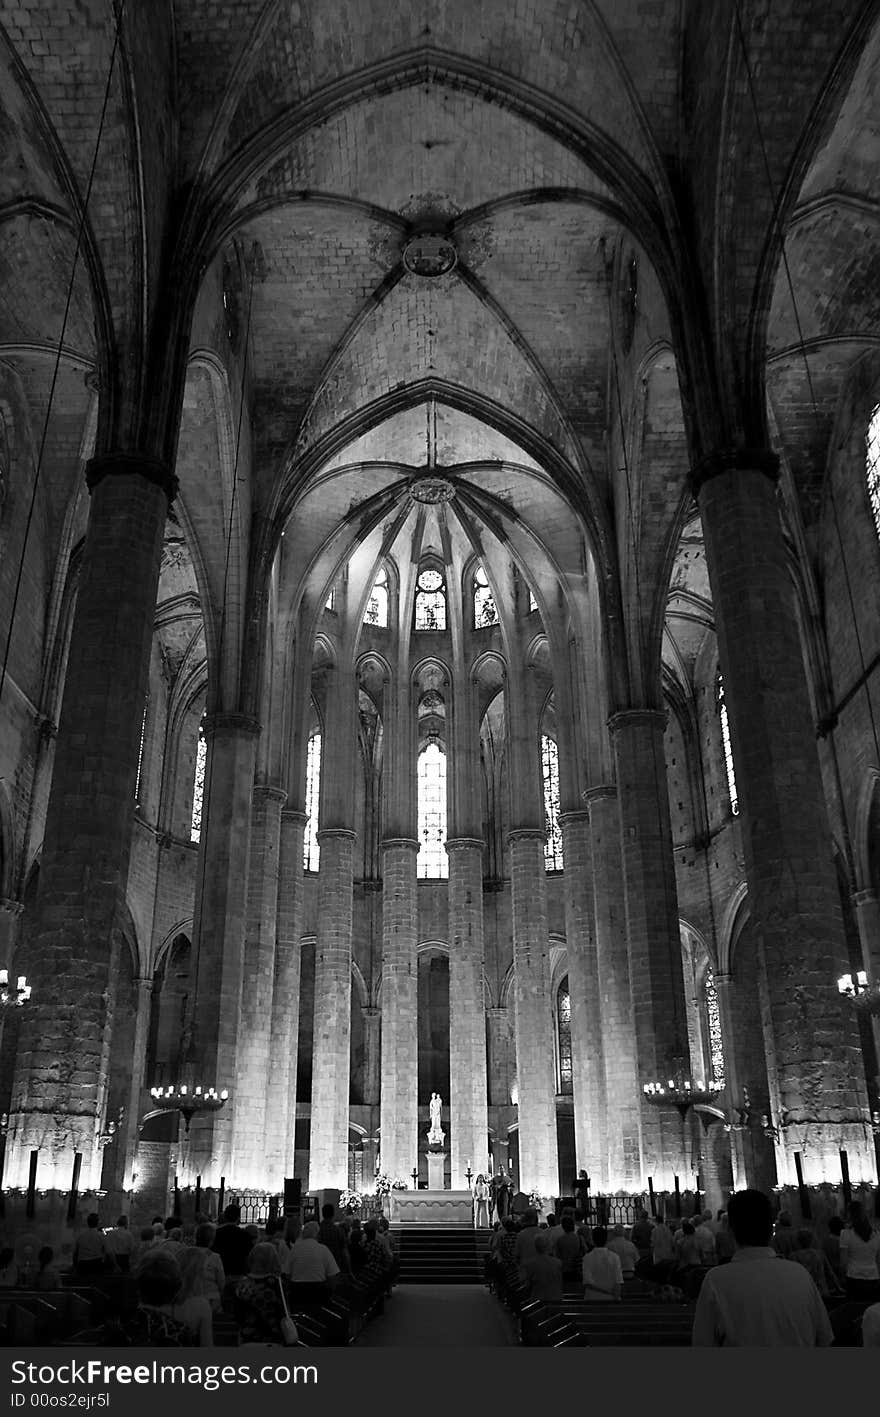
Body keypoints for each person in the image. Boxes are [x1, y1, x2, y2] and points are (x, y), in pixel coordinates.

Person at [692, 1189, 833, 1346]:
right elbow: (824, 1337)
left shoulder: (716, 1281)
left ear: (730, 1229)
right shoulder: (800, 1275)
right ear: (771, 1227)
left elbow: (702, 1343)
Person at [234, 1243, 291, 1345]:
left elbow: (237, 1314)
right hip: (273, 1338)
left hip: (247, 1338)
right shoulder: (277, 1284)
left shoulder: (241, 1284)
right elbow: (283, 1311)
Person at [284, 1219, 340, 1305]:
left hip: (297, 1294)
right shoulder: (323, 1249)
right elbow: (333, 1275)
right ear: (318, 1235)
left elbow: (287, 1274)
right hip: (318, 1294)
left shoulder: (294, 1249)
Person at [178, 1223, 226, 1311]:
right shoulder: (214, 1257)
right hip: (210, 1299)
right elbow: (221, 1282)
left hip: (187, 1298)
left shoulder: (183, 1253)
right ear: (211, 1240)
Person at [839, 1201, 880, 1300]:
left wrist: (842, 1278)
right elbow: (878, 1260)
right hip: (873, 1276)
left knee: (855, 1310)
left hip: (853, 1276)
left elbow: (843, 1262)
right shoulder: (877, 1234)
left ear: (850, 1215)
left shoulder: (845, 1234)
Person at [789, 1227, 843, 1298]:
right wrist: (838, 1288)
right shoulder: (820, 1254)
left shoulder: (794, 1256)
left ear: (798, 1241)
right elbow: (830, 1273)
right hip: (822, 1291)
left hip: (804, 1292)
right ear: (811, 1240)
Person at [212, 1203, 254, 1279]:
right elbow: (249, 1255)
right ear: (238, 1218)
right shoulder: (244, 1234)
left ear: (225, 1216)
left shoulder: (216, 1233)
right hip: (238, 1273)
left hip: (220, 1272)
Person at [581, 1226, 622, 1301]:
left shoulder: (587, 1258)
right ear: (606, 1239)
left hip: (592, 1299)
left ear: (592, 1240)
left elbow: (587, 1282)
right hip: (611, 1299)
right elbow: (618, 1281)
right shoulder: (615, 1257)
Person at [521, 1231, 563, 1302]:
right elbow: (560, 1282)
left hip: (538, 1299)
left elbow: (527, 1285)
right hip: (555, 1298)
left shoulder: (530, 1264)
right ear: (548, 1246)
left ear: (535, 1247)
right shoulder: (558, 1262)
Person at [553, 1213, 587, 1280]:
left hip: (565, 1269)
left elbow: (557, 1255)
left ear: (563, 1226)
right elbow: (585, 1251)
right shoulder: (579, 1238)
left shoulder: (560, 1240)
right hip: (577, 1268)